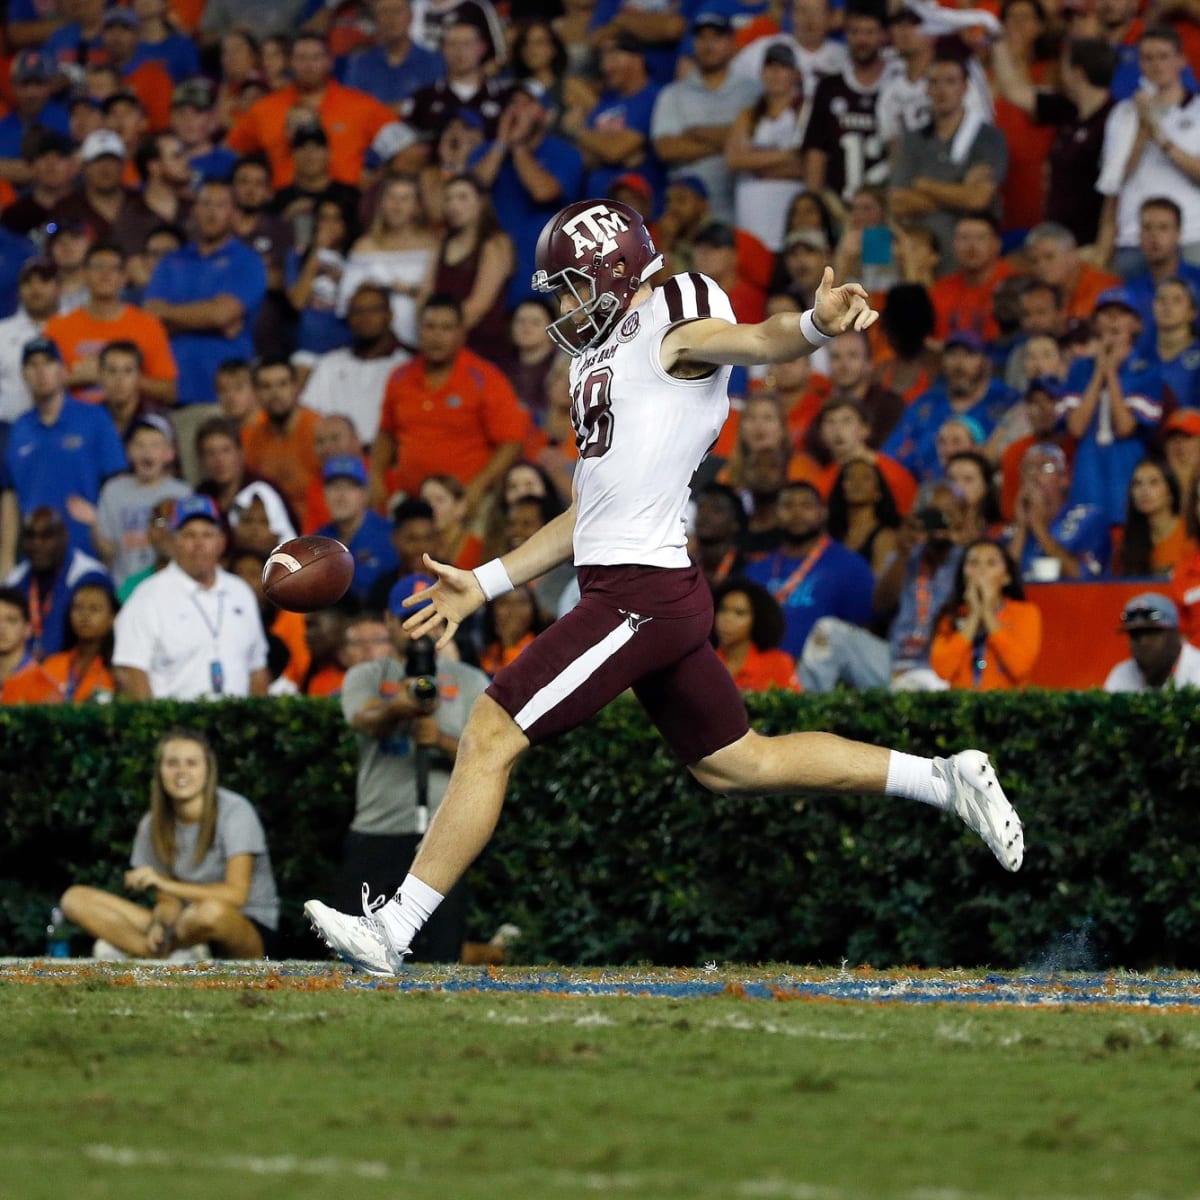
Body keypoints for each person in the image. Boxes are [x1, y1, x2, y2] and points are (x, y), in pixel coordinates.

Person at [305, 197, 1024, 977]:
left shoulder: (673, 324)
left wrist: (812, 326)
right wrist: (483, 580)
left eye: (574, 286)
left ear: (615, 272)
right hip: (643, 586)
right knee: (737, 764)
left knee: (488, 730)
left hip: (639, 594)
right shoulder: (599, 355)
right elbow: (588, 512)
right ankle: (942, 778)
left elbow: (753, 339)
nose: (565, 305)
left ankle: (397, 928)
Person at [332, 575, 490, 961]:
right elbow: (364, 720)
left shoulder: (471, 681)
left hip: (443, 837)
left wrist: (439, 739)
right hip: (378, 829)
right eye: (410, 616)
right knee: (358, 951)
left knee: (441, 955)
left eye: (431, 615)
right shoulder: (366, 676)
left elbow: (488, 758)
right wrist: (397, 708)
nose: (421, 626)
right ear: (389, 621)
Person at [60, 728, 280, 960]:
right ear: (160, 771)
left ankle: (144, 952)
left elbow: (236, 895)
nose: (181, 772)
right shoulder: (152, 823)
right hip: (182, 925)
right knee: (75, 899)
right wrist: (159, 923)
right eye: (172, 763)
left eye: (191, 763)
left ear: (208, 770)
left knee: (207, 913)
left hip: (241, 924)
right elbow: (167, 901)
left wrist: (164, 884)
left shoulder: (235, 811)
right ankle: (168, 953)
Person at [142, 179, 268, 477]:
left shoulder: (247, 262)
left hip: (223, 400)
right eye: (206, 204)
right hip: (171, 397)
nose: (212, 212)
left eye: (221, 205)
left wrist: (173, 315)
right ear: (195, 211)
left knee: (222, 484)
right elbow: (150, 316)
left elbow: (222, 313)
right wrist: (208, 315)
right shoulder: (172, 261)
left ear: (234, 213)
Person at [800, 482, 967, 693]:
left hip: (941, 665)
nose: (942, 522)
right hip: (894, 661)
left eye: (950, 514)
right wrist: (904, 552)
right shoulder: (908, 556)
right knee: (828, 632)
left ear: (964, 517)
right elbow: (880, 605)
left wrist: (965, 545)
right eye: (935, 514)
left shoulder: (971, 558)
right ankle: (809, 717)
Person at [370, 294, 529, 515]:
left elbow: (511, 443)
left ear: (462, 333)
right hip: (411, 502)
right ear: (419, 330)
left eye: (446, 328)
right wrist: (376, 477)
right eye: (430, 327)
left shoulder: (485, 378)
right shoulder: (399, 377)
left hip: (466, 501)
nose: (437, 336)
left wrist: (477, 487)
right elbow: (386, 433)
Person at [112, 495, 269, 699]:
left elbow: (256, 669)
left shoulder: (241, 592)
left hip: (235, 725)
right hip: (177, 726)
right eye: (189, 535)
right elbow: (130, 672)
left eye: (207, 535)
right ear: (174, 541)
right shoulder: (147, 597)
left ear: (221, 542)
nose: (199, 543)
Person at [0, 336, 128, 569]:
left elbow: (118, 485)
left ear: (63, 371)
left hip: (88, 552)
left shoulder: (94, 419)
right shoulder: (18, 429)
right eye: (33, 365)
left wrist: (112, 544)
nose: (41, 372)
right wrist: (6, 556)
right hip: (34, 556)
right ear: (23, 375)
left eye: (48, 363)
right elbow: (9, 496)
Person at [225, 32, 394, 191]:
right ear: (291, 62)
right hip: (282, 210)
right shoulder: (265, 109)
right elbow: (231, 150)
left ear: (330, 61)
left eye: (316, 58)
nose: (308, 66)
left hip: (345, 208)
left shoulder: (361, 106)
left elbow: (408, 148)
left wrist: (376, 182)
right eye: (301, 58)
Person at [889, 54, 1009, 271]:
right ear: (927, 89)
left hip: (968, 260)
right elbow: (897, 202)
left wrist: (924, 185)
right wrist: (960, 192)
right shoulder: (913, 139)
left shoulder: (988, 138)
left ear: (964, 87)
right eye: (934, 82)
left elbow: (978, 199)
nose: (942, 90)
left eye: (950, 81)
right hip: (920, 259)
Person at [1096, 26, 1200, 274]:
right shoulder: (1123, 113)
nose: (1156, 65)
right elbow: (1114, 182)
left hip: (1191, 236)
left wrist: (1162, 139)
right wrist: (1143, 127)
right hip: (1133, 238)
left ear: (1181, 61)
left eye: (1164, 56)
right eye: (1148, 58)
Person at [650, 13, 757, 225]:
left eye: (716, 38)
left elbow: (757, 138)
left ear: (731, 43)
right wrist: (731, 143)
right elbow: (667, 149)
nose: (708, 45)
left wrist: (695, 134)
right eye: (702, 38)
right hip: (686, 214)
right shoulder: (673, 93)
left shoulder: (752, 90)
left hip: (740, 208)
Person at [42, 241, 178, 407]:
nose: (105, 274)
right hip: (75, 423)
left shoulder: (148, 325)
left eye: (113, 268)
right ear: (84, 274)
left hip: (132, 422)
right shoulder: (57, 328)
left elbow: (169, 391)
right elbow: (39, 386)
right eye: (98, 266)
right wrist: (75, 378)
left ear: (123, 277)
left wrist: (116, 376)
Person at [300, 283, 410, 448]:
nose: (365, 318)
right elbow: (309, 415)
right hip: (336, 461)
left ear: (390, 315)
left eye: (373, 310)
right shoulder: (330, 364)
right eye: (357, 312)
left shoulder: (407, 366)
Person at [421, 174, 514, 363]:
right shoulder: (442, 242)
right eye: (449, 198)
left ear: (481, 202)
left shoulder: (496, 244)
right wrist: (428, 332)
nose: (453, 205)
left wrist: (444, 336)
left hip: (480, 345)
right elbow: (426, 292)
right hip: (440, 342)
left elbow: (479, 305)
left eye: (462, 197)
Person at [93, 414, 192, 590]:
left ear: (169, 452)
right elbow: (107, 552)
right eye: (140, 445)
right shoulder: (113, 491)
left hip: (170, 588)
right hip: (123, 589)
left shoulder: (183, 494)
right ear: (128, 451)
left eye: (155, 445)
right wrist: (92, 521)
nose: (147, 452)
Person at [928, 538, 1041, 690]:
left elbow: (1020, 668)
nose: (981, 570)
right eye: (973, 563)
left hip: (1008, 706)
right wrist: (973, 616)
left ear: (1006, 577)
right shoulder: (951, 615)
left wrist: (988, 615)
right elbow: (943, 671)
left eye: (991, 563)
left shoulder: (1025, 613)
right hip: (962, 706)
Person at [725, 43, 807, 255]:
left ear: (795, 74)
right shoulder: (749, 114)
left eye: (782, 67)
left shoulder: (805, 110)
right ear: (762, 73)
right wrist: (786, 155)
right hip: (752, 216)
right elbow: (734, 160)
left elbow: (805, 165)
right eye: (770, 67)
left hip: (788, 211)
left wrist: (755, 162)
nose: (776, 73)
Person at [338, 175, 437, 349]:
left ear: (417, 206)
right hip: (371, 342)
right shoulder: (364, 246)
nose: (397, 204)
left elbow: (440, 297)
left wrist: (410, 290)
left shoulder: (433, 245)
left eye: (405, 198)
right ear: (381, 204)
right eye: (392, 197)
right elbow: (345, 300)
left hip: (421, 341)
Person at [2, 506, 110, 659]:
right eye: (30, 536)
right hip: (23, 671)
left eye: (46, 536)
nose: (37, 544)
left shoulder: (90, 576)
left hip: (76, 670)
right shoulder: (14, 580)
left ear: (64, 537)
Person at [1, 575, 117, 704]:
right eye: (78, 608)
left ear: (112, 617)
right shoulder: (52, 665)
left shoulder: (118, 670)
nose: (85, 615)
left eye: (94, 609)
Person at [1007, 442, 1111, 581]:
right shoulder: (1011, 532)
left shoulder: (1088, 518)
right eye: (1028, 468)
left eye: (1045, 467)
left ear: (1064, 478)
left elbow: (1084, 578)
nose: (1034, 474)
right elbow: (1001, 580)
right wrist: (1022, 527)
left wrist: (1039, 527)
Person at [241, 359, 321, 527]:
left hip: (318, 529)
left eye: (282, 384)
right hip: (271, 530)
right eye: (266, 386)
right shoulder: (252, 437)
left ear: (296, 388)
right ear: (256, 393)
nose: (275, 393)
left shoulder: (319, 430)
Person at [316, 456, 399, 602]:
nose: (341, 496)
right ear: (324, 494)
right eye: (334, 487)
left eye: (349, 487)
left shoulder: (389, 536)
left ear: (365, 493)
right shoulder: (318, 541)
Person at [0, 258, 61, 424]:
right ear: (19, 291)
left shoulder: (74, 329)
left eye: (43, 281)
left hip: (65, 429)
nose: (36, 288)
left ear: (58, 288)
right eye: (28, 282)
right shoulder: (2, 332)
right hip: (8, 429)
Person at [711, 576, 798, 692]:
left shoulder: (778, 664)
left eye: (739, 613)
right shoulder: (703, 663)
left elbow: (792, 707)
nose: (727, 619)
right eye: (722, 610)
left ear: (757, 619)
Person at [1104, 591, 1200, 690]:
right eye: (1135, 635)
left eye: (1152, 633)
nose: (1143, 642)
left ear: (1176, 634)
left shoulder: (1197, 671)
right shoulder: (1121, 675)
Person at [1116, 459, 1193, 579]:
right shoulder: (1127, 540)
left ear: (1171, 492)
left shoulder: (1192, 533)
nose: (1144, 491)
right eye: (1137, 484)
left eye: (1154, 482)